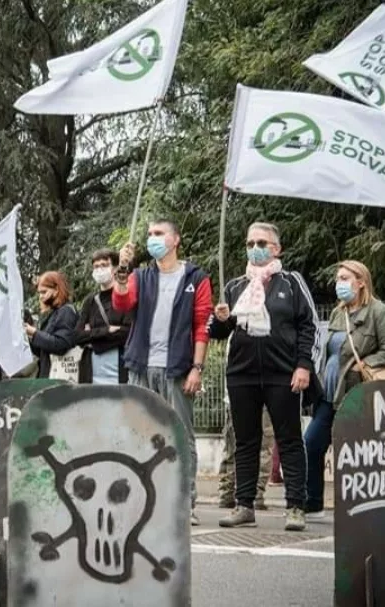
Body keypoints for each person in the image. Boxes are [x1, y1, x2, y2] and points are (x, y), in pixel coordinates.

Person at [209, 222, 319, 532]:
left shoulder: (292, 282)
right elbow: (218, 331)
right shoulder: (234, 286)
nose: (254, 247)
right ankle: (244, 506)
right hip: (241, 374)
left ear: (276, 248)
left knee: (289, 440)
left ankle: (296, 506)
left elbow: (308, 326)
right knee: (245, 441)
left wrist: (304, 365)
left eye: (261, 242)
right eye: (249, 242)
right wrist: (219, 320)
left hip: (283, 374)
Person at [114, 219, 212, 526]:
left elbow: (202, 326)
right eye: (150, 234)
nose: (152, 239)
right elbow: (122, 302)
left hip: (177, 368)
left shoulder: (195, 277)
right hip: (141, 367)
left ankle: (185, 501)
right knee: (137, 435)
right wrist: (122, 269)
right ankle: (140, 502)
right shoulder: (141, 276)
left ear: (175, 239)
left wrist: (197, 368)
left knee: (180, 435)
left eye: (159, 234)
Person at [304, 260, 385, 519]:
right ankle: (313, 503)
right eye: (338, 279)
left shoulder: (379, 312)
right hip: (330, 392)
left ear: (361, 282)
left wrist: (365, 364)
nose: (339, 284)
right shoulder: (338, 313)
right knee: (312, 443)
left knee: (359, 450)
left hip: (357, 392)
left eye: (345, 278)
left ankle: (365, 504)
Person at [76, 249, 132, 384]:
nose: (100, 269)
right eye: (96, 266)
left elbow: (127, 333)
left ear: (114, 269)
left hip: (120, 369)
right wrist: (106, 330)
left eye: (104, 265)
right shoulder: (90, 301)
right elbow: (77, 336)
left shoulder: (125, 296)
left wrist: (92, 335)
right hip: (92, 372)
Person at [27, 271, 79, 379]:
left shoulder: (66, 312)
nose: (41, 297)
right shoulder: (55, 313)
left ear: (56, 290)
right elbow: (42, 350)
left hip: (58, 378)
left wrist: (35, 333)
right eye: (39, 293)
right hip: (49, 375)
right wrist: (29, 336)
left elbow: (61, 344)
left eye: (44, 292)